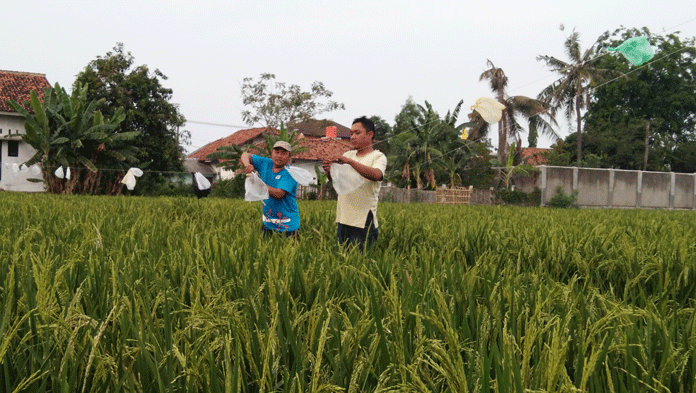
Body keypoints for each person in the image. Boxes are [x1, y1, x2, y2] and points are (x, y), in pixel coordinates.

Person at [323, 116, 387, 251]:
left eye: (357, 133)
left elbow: (376, 175)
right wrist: (328, 171)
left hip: (363, 222)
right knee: (341, 263)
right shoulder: (348, 154)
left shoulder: (378, 156)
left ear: (370, 135)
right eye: (351, 133)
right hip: (343, 219)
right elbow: (338, 181)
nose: (352, 137)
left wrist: (350, 162)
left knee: (360, 264)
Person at [241, 141, 299, 237]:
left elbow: (278, 194)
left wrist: (258, 184)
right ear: (272, 153)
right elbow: (245, 155)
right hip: (268, 224)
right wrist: (247, 165)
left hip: (287, 227)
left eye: (283, 153)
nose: (279, 156)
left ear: (289, 157)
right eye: (277, 152)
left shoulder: (290, 173)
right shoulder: (266, 163)